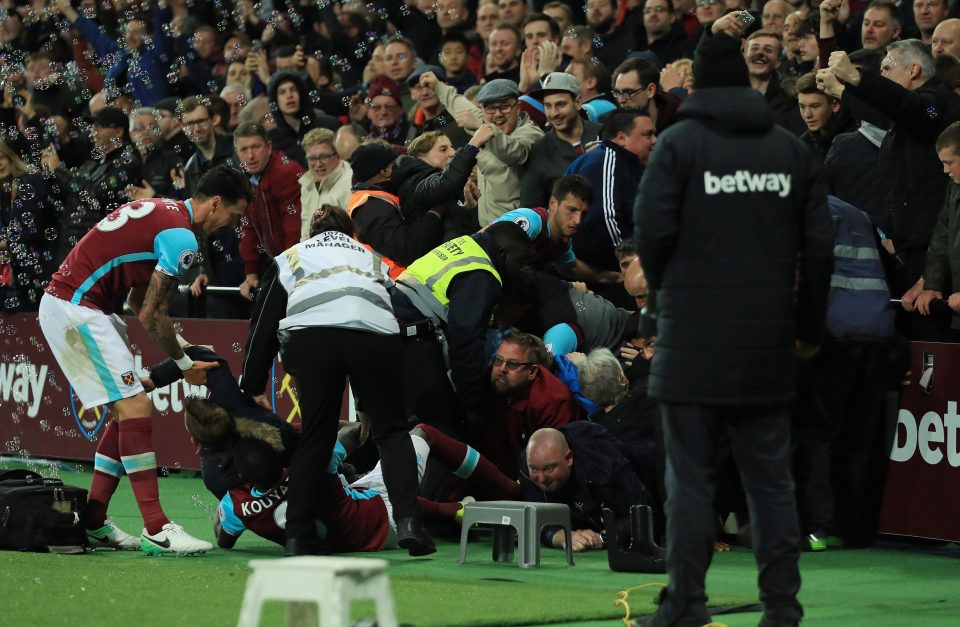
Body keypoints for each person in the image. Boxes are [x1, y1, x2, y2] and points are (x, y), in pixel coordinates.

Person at [634, 34, 834, 626]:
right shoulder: (789, 151)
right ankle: (781, 612)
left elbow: (652, 234)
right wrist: (807, 327)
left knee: (691, 484)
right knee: (771, 485)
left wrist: (670, 296)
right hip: (766, 345)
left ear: (695, 83)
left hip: (692, 344)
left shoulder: (677, 146)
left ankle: (685, 609)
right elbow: (819, 249)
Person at [39, 165, 255, 556]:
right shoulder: (182, 238)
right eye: (234, 216)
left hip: (84, 306)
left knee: (127, 408)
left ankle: (92, 520)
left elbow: (140, 302)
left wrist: (184, 349)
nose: (230, 225)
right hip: (77, 307)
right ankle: (156, 527)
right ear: (217, 203)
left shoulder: (165, 211)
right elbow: (151, 314)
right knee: (135, 403)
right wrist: (185, 364)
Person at [240, 205, 435, 557]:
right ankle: (409, 523)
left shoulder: (291, 256)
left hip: (313, 337)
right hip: (375, 335)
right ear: (352, 233)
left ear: (312, 234)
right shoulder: (372, 256)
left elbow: (263, 323)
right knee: (391, 431)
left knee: (318, 434)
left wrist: (251, 385)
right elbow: (397, 304)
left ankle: (298, 534)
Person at [519, 423, 652, 552]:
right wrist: (561, 537)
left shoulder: (604, 464)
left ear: (569, 458)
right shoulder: (528, 464)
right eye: (534, 469)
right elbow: (534, 519)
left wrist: (604, 538)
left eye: (549, 468)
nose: (542, 478)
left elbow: (643, 515)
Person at [477, 330, 579, 478]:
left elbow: (553, 467)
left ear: (532, 371)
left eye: (512, 364)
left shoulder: (553, 401)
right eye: (498, 360)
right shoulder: (488, 382)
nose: (502, 369)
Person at [566, 108, 656, 272]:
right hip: (604, 267)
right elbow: (605, 217)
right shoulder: (605, 160)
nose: (654, 140)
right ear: (622, 138)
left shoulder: (628, 163)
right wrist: (631, 257)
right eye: (648, 135)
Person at [234, 122, 305, 301]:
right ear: (237, 152)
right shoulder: (246, 178)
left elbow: (294, 229)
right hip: (278, 264)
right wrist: (251, 273)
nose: (250, 156)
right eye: (244, 149)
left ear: (269, 146)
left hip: (298, 266)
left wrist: (290, 273)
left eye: (255, 147)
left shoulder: (286, 173)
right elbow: (248, 228)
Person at [519, 73, 602, 209]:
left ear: (578, 102)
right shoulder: (539, 151)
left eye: (560, 104)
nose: (554, 113)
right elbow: (532, 207)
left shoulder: (604, 134)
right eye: (548, 106)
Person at [298, 128, 353, 242]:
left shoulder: (349, 182)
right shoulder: (306, 184)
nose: (318, 164)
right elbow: (305, 232)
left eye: (324, 157)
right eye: (312, 158)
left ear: (337, 155)